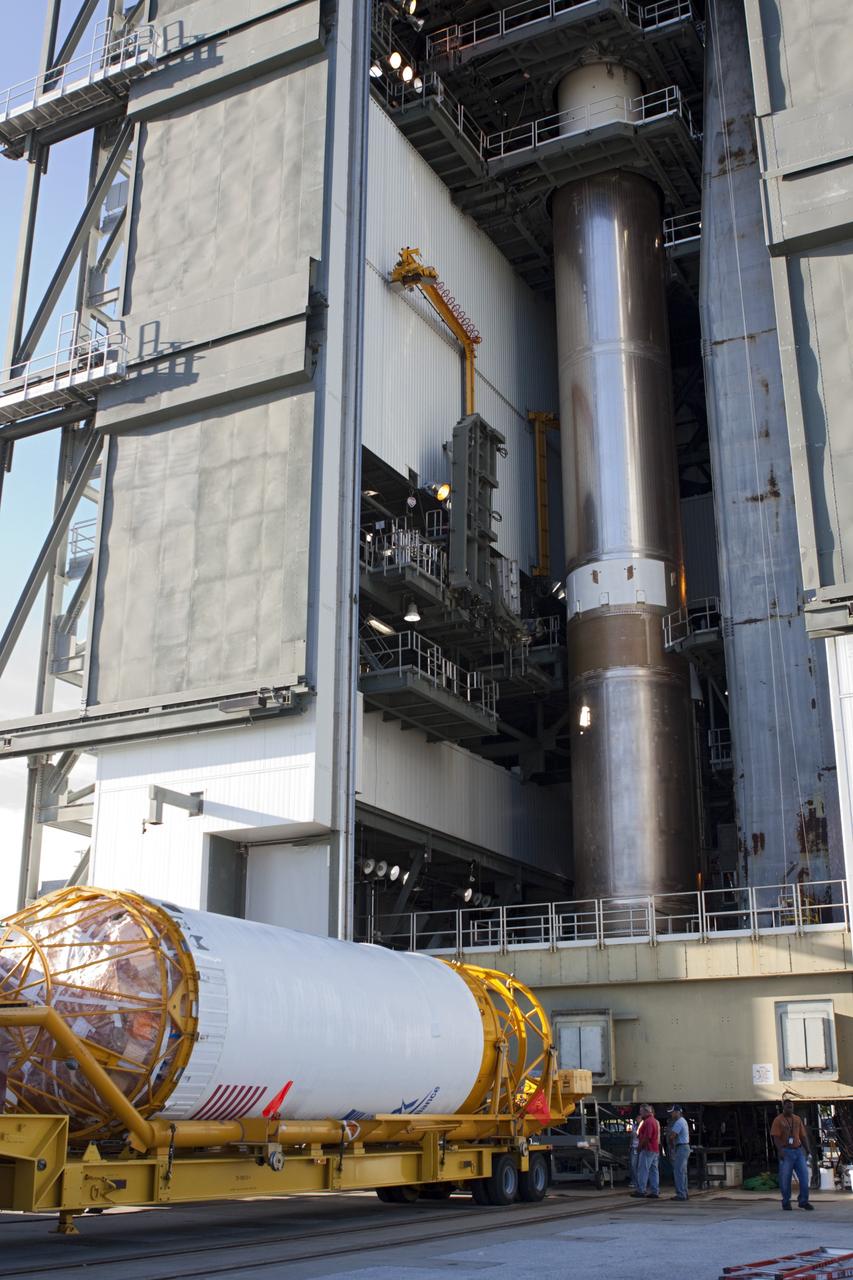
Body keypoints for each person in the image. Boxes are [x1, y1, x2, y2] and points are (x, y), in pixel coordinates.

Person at [770, 1099, 814, 1211]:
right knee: (785, 1178)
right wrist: (780, 1150)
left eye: (791, 1107)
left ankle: (803, 1201)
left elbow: (803, 1136)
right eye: (788, 1107)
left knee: (804, 1176)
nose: (790, 1109)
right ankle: (786, 1202)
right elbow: (775, 1137)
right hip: (786, 1151)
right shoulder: (778, 1120)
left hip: (798, 1151)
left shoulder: (797, 1119)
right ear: (783, 1108)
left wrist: (808, 1149)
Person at [631, 1104, 660, 1199]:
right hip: (654, 1149)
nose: (640, 1113)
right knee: (653, 1171)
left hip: (648, 1149)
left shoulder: (648, 1122)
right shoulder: (653, 1121)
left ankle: (641, 1190)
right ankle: (655, 1191)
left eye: (641, 1111)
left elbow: (647, 1137)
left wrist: (640, 1146)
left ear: (646, 1112)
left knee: (643, 1170)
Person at [666, 1104, 691, 1201]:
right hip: (685, 1147)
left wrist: (671, 1144)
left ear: (677, 1112)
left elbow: (672, 1135)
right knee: (683, 1172)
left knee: (678, 1171)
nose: (671, 1114)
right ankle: (684, 1193)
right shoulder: (683, 1121)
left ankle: (681, 1194)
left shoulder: (679, 1122)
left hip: (681, 1147)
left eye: (672, 1112)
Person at [628, 1109, 643, 1189]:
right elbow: (631, 1136)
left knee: (641, 1165)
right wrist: (630, 1145)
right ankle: (634, 1181)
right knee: (633, 1165)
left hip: (641, 1147)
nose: (638, 1119)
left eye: (639, 1118)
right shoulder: (634, 1126)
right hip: (634, 1147)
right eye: (637, 1118)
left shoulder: (643, 1126)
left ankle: (640, 1182)